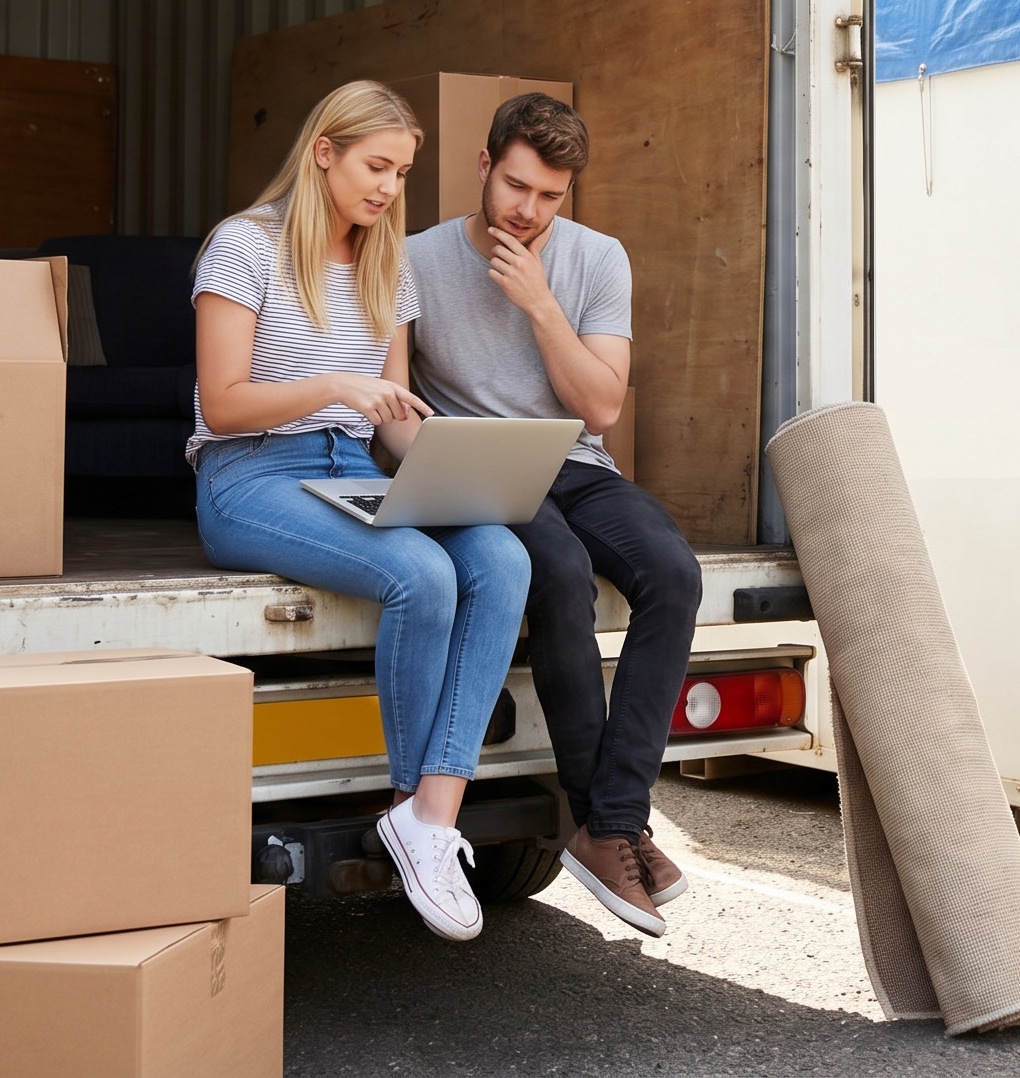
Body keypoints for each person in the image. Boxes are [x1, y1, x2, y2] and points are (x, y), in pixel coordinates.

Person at [188, 80, 530, 944]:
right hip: (251, 475)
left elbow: (395, 418)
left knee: (500, 556)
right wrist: (339, 386)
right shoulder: (242, 246)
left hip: (355, 467)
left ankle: (431, 817)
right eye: (375, 165)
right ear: (322, 153)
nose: (387, 187)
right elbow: (224, 405)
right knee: (418, 574)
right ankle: (408, 805)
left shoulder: (389, 262)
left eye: (402, 172)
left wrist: (457, 473)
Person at [406, 93, 702, 938]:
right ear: (484, 165)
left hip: (574, 460)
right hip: (484, 470)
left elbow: (601, 409)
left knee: (674, 574)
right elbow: (392, 407)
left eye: (549, 197)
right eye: (516, 186)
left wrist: (540, 303)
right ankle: (612, 831)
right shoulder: (418, 260)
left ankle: (609, 825)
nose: (528, 211)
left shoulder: (597, 259)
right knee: (560, 572)